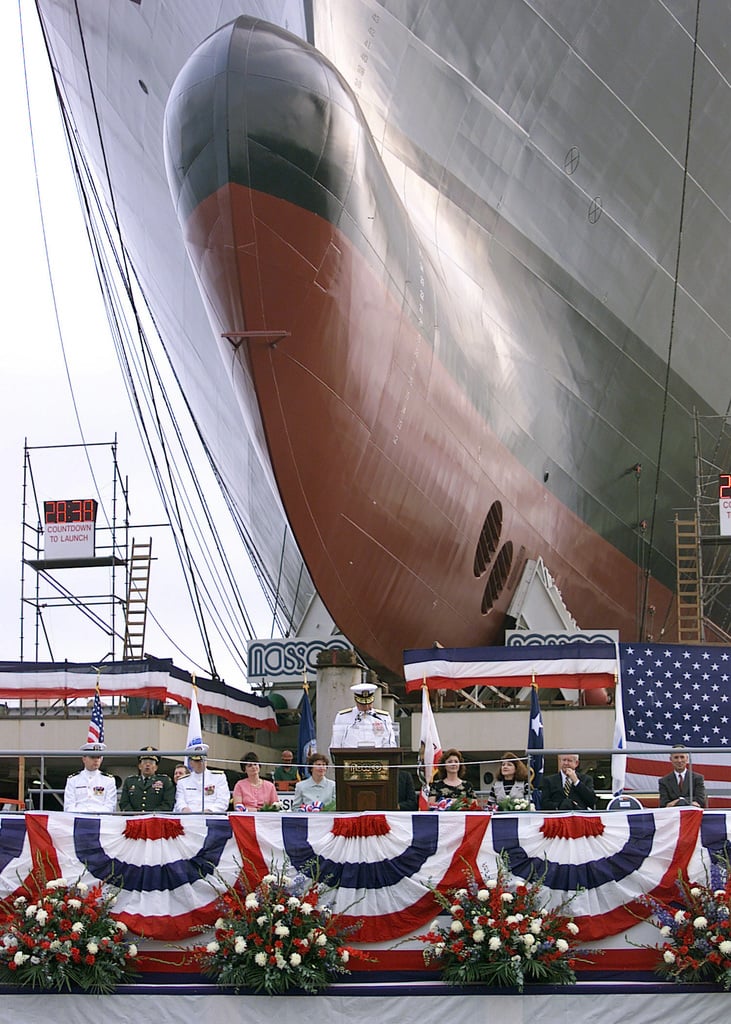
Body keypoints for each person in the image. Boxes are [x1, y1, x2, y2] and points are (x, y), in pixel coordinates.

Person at [330, 682, 396, 749]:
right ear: (356, 700)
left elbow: (389, 743)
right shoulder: (343, 717)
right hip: (350, 758)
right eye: (363, 704)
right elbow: (336, 744)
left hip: (377, 757)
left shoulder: (383, 717)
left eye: (369, 703)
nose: (367, 706)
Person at [173, 743, 230, 813]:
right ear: (190, 763)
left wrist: (210, 810)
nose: (201, 763)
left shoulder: (219, 777)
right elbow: (180, 801)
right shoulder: (183, 781)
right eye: (197, 761)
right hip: (188, 817)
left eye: (203, 759)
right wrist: (184, 809)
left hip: (211, 817)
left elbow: (223, 800)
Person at [63, 742, 118, 813]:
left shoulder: (109, 780)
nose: (96, 760)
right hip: (78, 817)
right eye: (92, 757)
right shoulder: (73, 780)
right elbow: (69, 806)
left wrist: (94, 813)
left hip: (100, 818)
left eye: (98, 757)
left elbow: (110, 806)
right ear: (84, 759)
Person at [119, 746, 175, 812]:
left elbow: (168, 804)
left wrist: (152, 815)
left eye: (151, 763)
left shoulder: (165, 781)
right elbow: (124, 803)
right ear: (140, 766)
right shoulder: (130, 781)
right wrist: (134, 815)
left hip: (156, 819)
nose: (147, 765)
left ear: (156, 767)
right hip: (134, 819)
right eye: (145, 762)